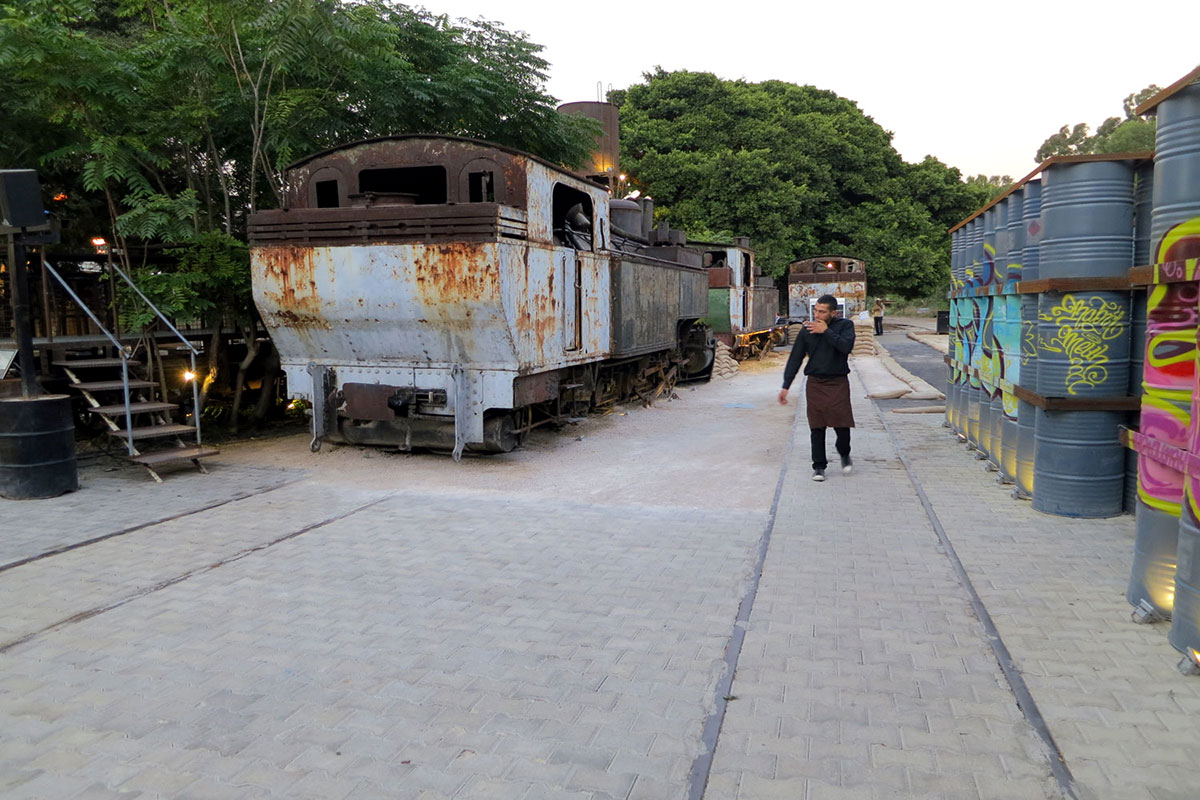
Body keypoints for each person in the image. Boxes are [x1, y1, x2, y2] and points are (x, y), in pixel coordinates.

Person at [778, 295, 856, 482]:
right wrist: (786, 385)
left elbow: (846, 347)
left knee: (842, 424)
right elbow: (795, 358)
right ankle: (819, 466)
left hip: (838, 382)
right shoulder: (807, 330)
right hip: (815, 383)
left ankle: (844, 453)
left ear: (833, 313)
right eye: (815, 310)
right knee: (817, 425)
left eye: (822, 312)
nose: (817, 315)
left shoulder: (845, 326)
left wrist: (826, 331)